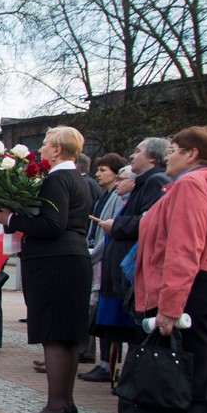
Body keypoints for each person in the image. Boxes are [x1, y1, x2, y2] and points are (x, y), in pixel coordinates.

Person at [131, 126, 207, 413]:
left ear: (193, 153)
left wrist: (169, 308)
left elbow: (184, 248)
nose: (169, 155)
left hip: (195, 287)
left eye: (174, 149)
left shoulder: (192, 185)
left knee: (191, 378)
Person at [0, 126, 93, 413]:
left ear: (58, 150)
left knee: (53, 336)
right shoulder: (78, 179)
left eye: (46, 144)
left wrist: (11, 219)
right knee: (67, 336)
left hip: (55, 262)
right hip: (72, 258)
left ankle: (56, 405)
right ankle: (66, 403)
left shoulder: (57, 179)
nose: (41, 149)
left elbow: (53, 225)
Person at [92, 138, 172, 370]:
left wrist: (116, 225)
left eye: (138, 151)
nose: (132, 155)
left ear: (152, 158)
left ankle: (135, 375)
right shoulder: (146, 181)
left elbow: (149, 222)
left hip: (138, 268)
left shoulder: (156, 180)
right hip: (127, 267)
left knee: (139, 332)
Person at [77, 152, 128, 381]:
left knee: (104, 312)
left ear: (116, 175)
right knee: (98, 312)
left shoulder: (117, 197)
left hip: (103, 260)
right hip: (97, 257)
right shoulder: (105, 196)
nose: (98, 174)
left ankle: (109, 364)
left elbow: (108, 231)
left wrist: (92, 254)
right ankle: (104, 361)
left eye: (103, 170)